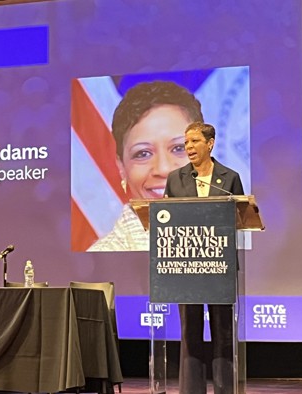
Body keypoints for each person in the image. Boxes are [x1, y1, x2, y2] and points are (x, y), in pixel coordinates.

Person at [164, 121, 244, 394]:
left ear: (210, 143)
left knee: (223, 332)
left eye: (195, 141)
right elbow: (166, 221)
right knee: (190, 332)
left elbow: (241, 218)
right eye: (186, 143)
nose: (189, 147)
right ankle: (191, 390)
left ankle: (225, 389)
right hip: (186, 266)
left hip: (219, 265)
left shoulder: (229, 177)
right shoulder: (176, 179)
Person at [89, 81, 203, 251]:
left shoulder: (240, 240)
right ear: (121, 167)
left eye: (180, 148)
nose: (163, 169)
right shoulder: (102, 258)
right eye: (143, 154)